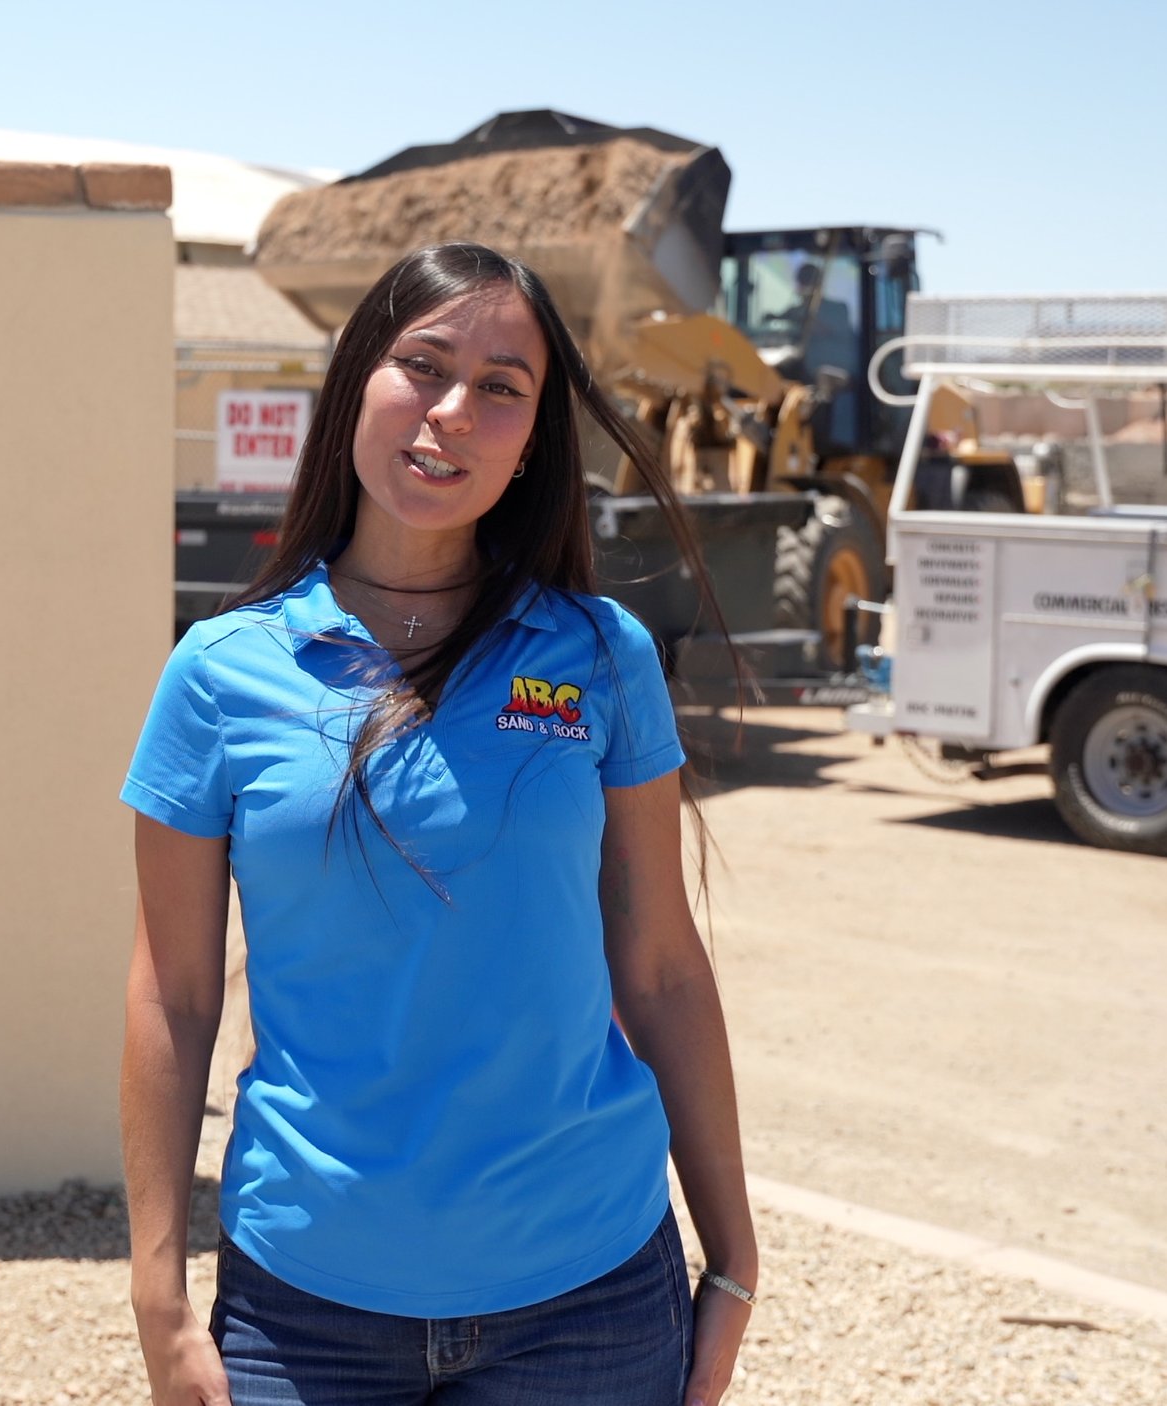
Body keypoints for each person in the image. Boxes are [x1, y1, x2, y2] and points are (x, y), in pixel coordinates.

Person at [119, 242, 755, 1406]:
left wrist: (738, 1259)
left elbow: (660, 965)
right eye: (424, 364)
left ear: (529, 444)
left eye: (501, 387)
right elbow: (174, 989)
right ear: (358, 378)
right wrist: (159, 1299)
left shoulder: (598, 655)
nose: (452, 411)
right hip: (302, 1300)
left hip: (590, 1300)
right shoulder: (220, 673)